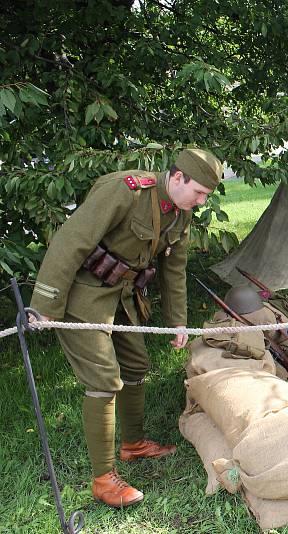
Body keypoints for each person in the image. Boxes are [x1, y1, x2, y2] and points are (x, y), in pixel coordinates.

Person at [29, 148, 223, 507]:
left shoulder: (180, 215)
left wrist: (177, 321)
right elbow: (72, 241)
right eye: (197, 192)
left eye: (205, 197)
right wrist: (43, 305)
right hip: (83, 296)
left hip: (123, 297)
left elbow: (174, 270)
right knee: (103, 379)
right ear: (177, 177)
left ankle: (133, 444)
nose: (199, 202)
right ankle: (103, 479)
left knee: (136, 366)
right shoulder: (128, 190)